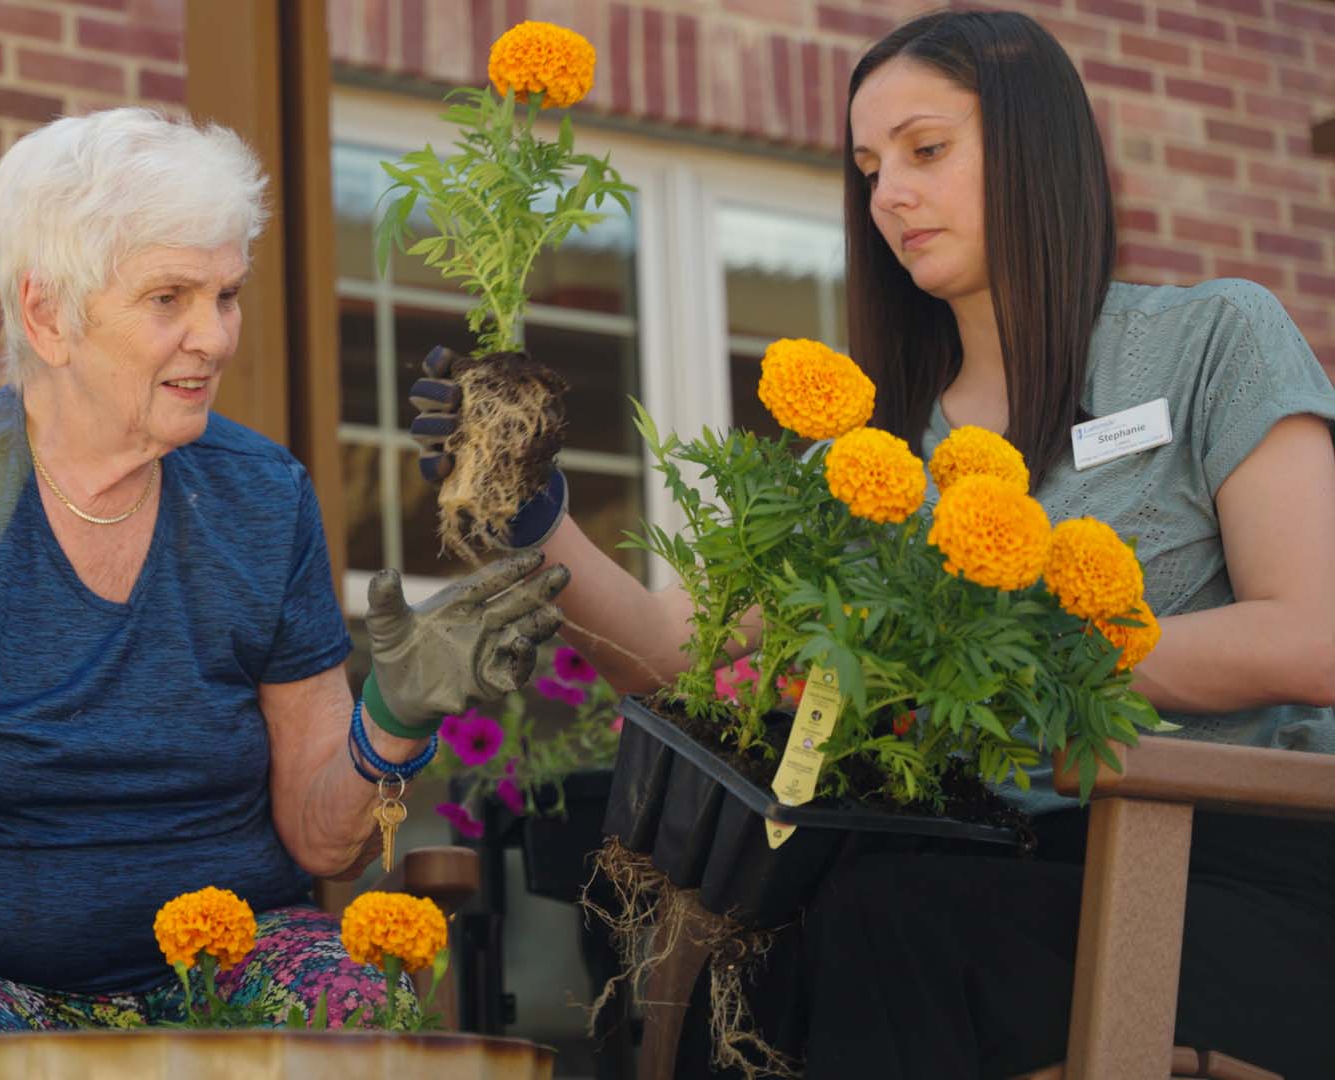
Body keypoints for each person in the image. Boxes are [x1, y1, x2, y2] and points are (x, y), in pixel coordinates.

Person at [410, 10, 1335, 1077]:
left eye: (926, 150)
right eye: (866, 166)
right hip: (975, 873)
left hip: (1231, 875)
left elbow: (1309, 636)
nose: (888, 193)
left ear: (1038, 148)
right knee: (761, 956)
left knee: (886, 920)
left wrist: (1007, 653)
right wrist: (526, 519)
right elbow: (681, 657)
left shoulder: (1212, 338)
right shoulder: (872, 459)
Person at [0, 106, 570, 1042]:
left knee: (355, 1008)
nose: (215, 338)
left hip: (232, 956)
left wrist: (392, 719)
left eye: (225, 295)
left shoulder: (264, 497)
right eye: (169, 298)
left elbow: (321, 840)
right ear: (48, 313)